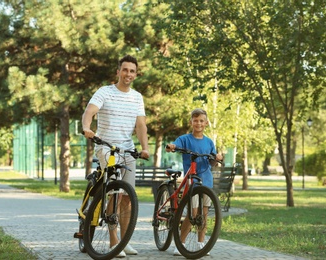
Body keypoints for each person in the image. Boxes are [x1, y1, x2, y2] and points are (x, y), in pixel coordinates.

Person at [82, 54, 150, 257]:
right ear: (118, 71)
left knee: (128, 197)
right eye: (125, 69)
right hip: (106, 147)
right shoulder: (105, 92)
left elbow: (140, 125)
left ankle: (124, 241)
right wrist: (87, 127)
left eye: (132, 71)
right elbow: (89, 111)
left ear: (135, 74)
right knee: (114, 193)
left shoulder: (137, 97)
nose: (128, 74)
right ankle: (114, 242)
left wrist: (144, 147)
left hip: (127, 149)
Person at [165, 108, 223, 256]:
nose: (198, 123)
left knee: (203, 214)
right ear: (191, 122)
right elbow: (175, 145)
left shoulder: (209, 142)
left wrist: (217, 158)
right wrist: (172, 146)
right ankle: (181, 244)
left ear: (206, 123)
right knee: (193, 214)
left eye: (201, 121)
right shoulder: (185, 139)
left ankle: (200, 243)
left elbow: (212, 163)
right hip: (192, 183)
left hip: (206, 182)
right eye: (195, 120)